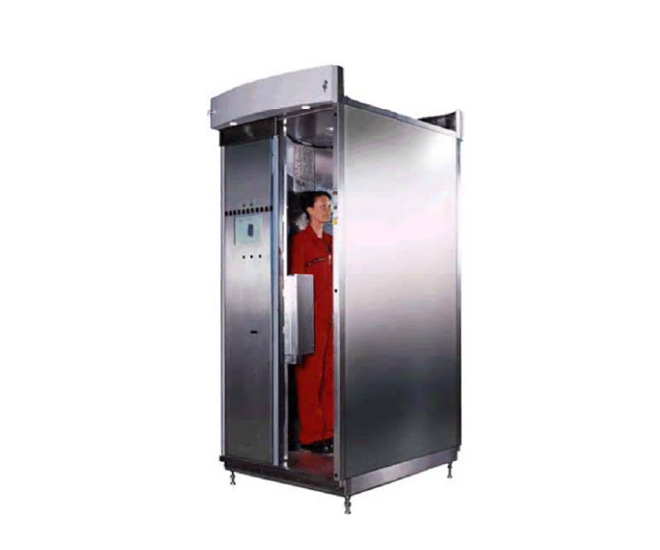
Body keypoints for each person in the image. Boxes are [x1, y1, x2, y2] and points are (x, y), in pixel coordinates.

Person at [289, 191, 334, 455]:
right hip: (311, 320)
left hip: (333, 321)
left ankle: (329, 431)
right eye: (322, 206)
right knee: (309, 379)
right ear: (309, 210)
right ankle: (311, 435)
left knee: (330, 377)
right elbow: (296, 282)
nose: (328, 210)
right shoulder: (301, 242)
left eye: (329, 205)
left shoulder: (331, 243)